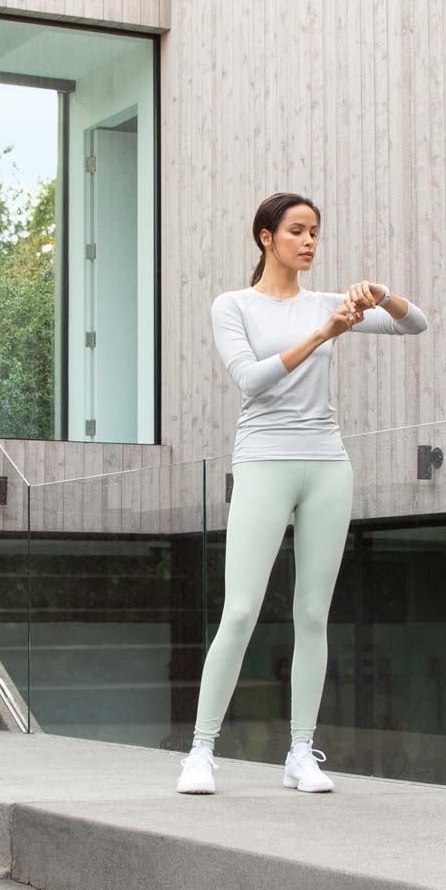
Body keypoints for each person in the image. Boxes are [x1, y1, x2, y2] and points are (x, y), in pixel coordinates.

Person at [178, 192, 430, 795]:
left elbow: (415, 323)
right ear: (267, 237)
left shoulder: (330, 303)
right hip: (263, 461)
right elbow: (252, 379)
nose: (310, 241)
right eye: (297, 231)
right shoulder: (234, 306)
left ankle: (300, 753)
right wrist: (325, 333)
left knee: (313, 613)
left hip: (327, 465)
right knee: (240, 610)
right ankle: (200, 752)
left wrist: (379, 293)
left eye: (315, 231)